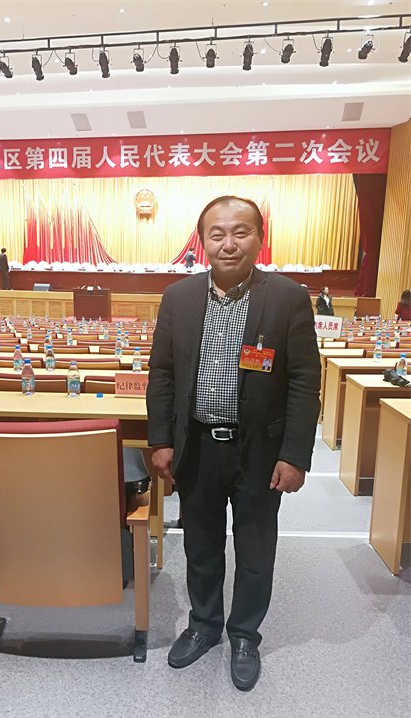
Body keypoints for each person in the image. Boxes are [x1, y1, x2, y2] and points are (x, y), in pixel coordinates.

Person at [147, 195, 320, 691]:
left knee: (255, 551)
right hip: (198, 447)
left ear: (259, 238)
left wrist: (294, 454)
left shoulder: (287, 297)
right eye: (217, 234)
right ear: (202, 242)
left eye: (240, 232)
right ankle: (204, 626)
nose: (228, 243)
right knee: (200, 546)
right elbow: (162, 374)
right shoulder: (178, 297)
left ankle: (244, 634)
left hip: (260, 452)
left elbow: (305, 381)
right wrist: (161, 440)